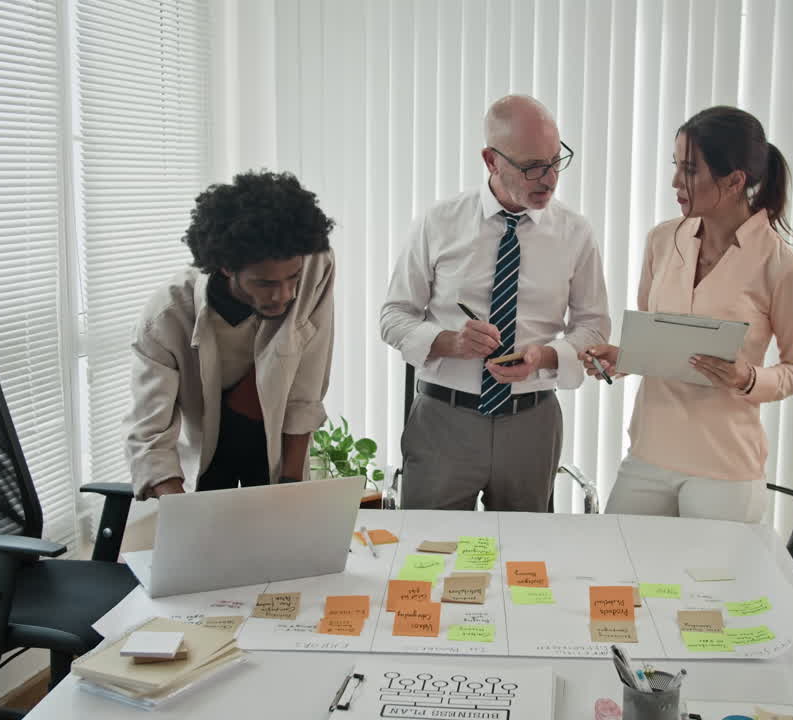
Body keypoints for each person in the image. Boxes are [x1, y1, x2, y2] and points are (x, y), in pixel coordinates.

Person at [582, 106, 793, 523]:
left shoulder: (781, 266)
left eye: (690, 170)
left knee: (711, 589)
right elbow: (656, 339)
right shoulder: (662, 240)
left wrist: (749, 378)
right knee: (617, 574)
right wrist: (623, 357)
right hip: (649, 453)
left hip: (724, 470)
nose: (675, 181)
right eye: (676, 165)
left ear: (735, 180)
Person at [380, 94, 610, 512]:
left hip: (532, 423)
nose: (549, 179)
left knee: (524, 564)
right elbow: (393, 316)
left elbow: (594, 327)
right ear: (491, 160)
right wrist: (449, 342)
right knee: (429, 556)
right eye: (531, 167)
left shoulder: (576, 233)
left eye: (556, 161)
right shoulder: (439, 222)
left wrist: (546, 356)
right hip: (443, 422)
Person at [124, 170, 336, 499]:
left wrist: (290, 488)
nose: (284, 295)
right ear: (226, 267)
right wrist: (183, 514)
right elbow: (150, 436)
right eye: (265, 283)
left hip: (271, 439)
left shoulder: (313, 267)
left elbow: (305, 389)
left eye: (292, 278)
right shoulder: (166, 317)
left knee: (280, 539)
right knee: (201, 541)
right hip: (205, 446)